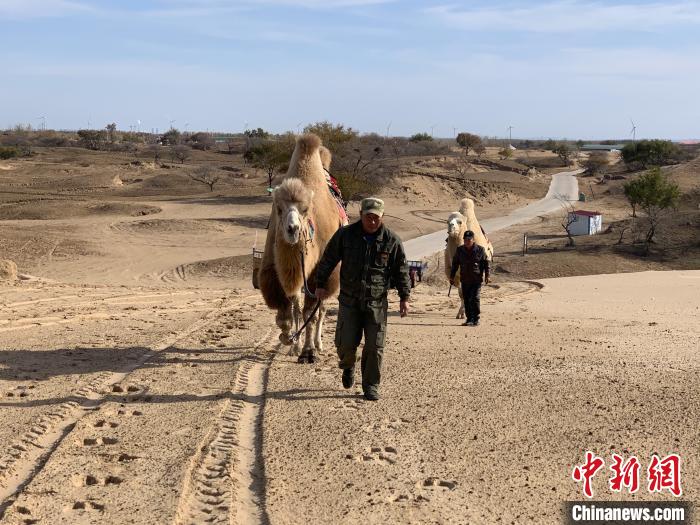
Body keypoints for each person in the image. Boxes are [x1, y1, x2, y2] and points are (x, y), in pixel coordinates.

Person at [314, 197, 411, 401]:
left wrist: (404, 297)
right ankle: (348, 366)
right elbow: (328, 259)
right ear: (361, 215)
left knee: (375, 346)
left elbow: (401, 270)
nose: (372, 221)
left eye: (376, 217)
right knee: (346, 345)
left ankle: (371, 385)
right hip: (349, 301)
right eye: (369, 217)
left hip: (376, 303)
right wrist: (320, 284)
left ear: (382, 217)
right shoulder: (345, 235)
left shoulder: (391, 240)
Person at [450, 230, 490, 326]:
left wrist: (487, 275)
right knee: (467, 299)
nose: (467, 242)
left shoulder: (480, 250)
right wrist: (452, 277)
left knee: (475, 298)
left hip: (476, 279)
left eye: (469, 240)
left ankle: (476, 319)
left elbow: (486, 263)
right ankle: (469, 319)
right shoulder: (460, 250)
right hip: (465, 279)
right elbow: (455, 264)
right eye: (465, 240)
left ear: (473, 240)